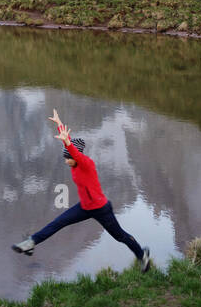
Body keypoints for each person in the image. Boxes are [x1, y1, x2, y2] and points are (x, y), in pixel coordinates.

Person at [12, 109, 152, 272]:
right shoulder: (74, 162)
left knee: (120, 236)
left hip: (101, 209)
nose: (66, 161)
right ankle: (30, 244)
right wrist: (59, 125)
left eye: (68, 158)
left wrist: (69, 145)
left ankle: (142, 255)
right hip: (84, 207)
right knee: (57, 223)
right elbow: (69, 146)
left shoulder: (86, 164)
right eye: (65, 158)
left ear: (75, 156)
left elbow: (74, 151)